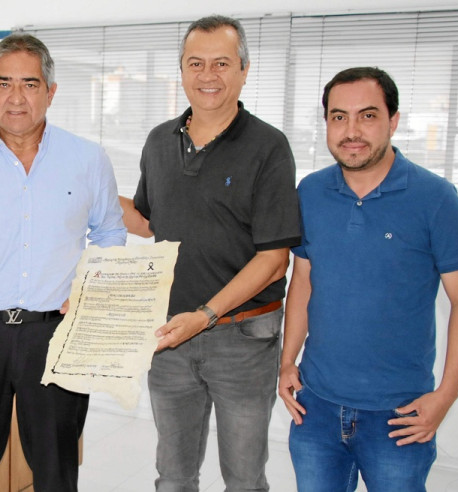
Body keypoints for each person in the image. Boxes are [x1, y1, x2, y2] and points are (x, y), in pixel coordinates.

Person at [0, 33, 126, 491]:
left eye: (30, 84)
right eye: (4, 83)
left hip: (56, 333)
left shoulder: (87, 159)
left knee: (56, 473)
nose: (16, 97)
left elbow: (110, 233)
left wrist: (91, 292)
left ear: (50, 92)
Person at [119, 15, 301, 491]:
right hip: (170, 335)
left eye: (221, 63)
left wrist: (204, 316)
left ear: (244, 70)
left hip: (243, 338)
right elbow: (149, 222)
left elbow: (274, 260)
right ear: (181, 70)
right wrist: (88, 193)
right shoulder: (159, 141)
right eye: (195, 63)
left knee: (243, 479)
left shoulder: (268, 146)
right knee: (173, 476)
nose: (208, 75)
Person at [278, 67, 458, 491]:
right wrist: (287, 360)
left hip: (399, 415)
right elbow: (304, 281)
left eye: (367, 116)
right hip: (316, 407)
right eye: (339, 117)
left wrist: (446, 395)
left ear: (393, 120)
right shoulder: (310, 192)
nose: (351, 131)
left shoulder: (436, 198)